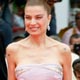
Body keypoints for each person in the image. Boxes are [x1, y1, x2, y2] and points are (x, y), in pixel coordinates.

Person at [6, 0, 72, 80]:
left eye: (38, 17)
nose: (32, 22)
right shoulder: (13, 50)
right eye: (28, 17)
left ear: (49, 18)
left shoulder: (63, 50)